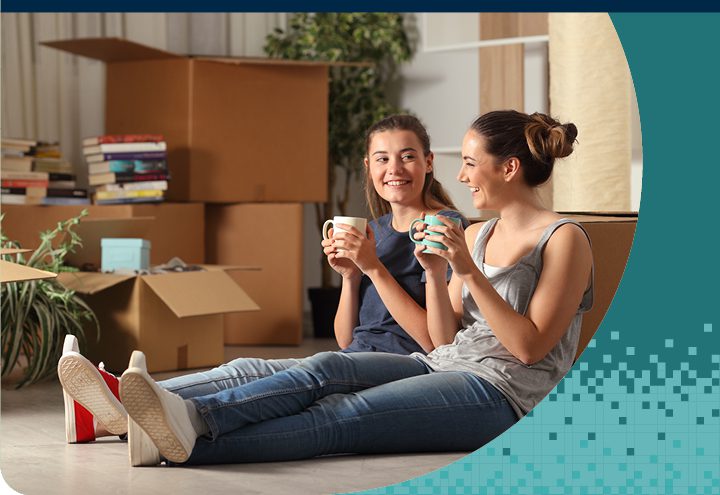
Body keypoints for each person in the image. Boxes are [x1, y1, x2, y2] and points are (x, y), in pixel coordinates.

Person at [115, 109, 594, 466]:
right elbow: (444, 341)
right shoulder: (479, 234)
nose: (462, 175)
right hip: (439, 364)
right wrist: (432, 270)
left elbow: (530, 349)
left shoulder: (564, 239)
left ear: (508, 168)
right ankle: (185, 417)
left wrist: (466, 272)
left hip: (506, 395)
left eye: (471, 163)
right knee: (324, 367)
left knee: (343, 417)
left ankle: (180, 440)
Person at [57, 115, 467, 461]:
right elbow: (347, 338)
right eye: (382, 158)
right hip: (360, 357)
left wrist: (374, 268)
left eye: (407, 156)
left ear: (429, 163)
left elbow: (437, 344)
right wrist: (350, 276)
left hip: (410, 365)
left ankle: (185, 415)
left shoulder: (444, 227)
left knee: (318, 369)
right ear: (368, 166)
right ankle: (108, 402)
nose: (394, 168)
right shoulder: (374, 230)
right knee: (248, 367)